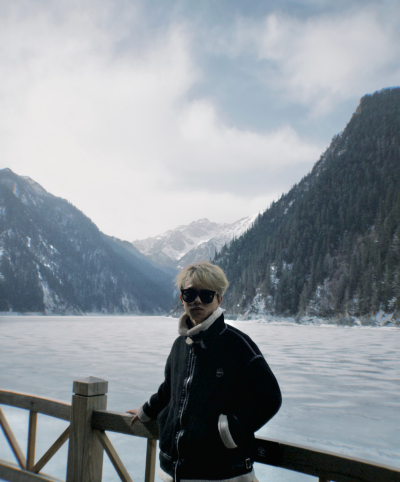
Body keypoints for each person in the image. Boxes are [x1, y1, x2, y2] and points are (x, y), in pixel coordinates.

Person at [127, 261, 281, 482]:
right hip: (175, 471)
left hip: (222, 473)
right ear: (182, 299)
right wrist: (146, 411)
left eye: (206, 295)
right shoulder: (180, 345)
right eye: (189, 294)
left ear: (219, 299)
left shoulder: (237, 345)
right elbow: (170, 388)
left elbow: (270, 398)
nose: (197, 300)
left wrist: (230, 430)